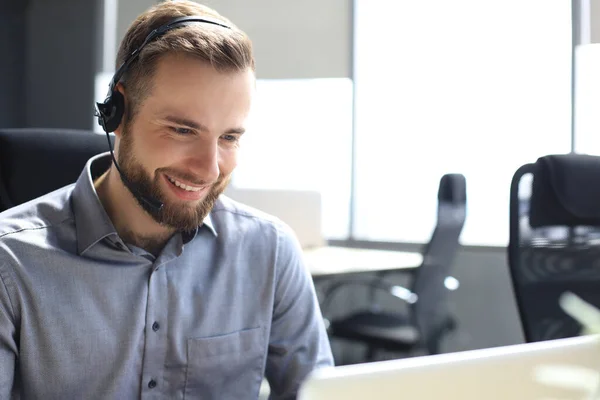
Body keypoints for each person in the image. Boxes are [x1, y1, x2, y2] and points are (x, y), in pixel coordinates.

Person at [0, 1, 333, 398]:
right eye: (182, 130)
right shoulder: (12, 264)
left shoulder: (270, 250)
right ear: (118, 113)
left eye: (229, 137)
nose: (209, 169)